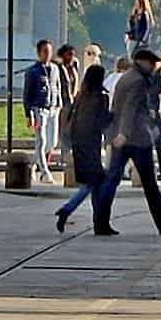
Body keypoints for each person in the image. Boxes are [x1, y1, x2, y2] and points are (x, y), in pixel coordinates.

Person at [96, 45, 161, 236]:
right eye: (151, 64)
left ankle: (100, 221)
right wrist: (125, 134)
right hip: (136, 139)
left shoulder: (126, 77)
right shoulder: (138, 81)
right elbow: (130, 108)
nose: (153, 68)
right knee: (149, 183)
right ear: (143, 62)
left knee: (112, 179)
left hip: (123, 136)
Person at [55, 63, 113, 234]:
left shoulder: (81, 96)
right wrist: (114, 115)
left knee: (95, 184)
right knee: (93, 183)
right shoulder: (101, 97)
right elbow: (101, 122)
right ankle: (68, 209)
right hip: (92, 145)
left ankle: (100, 223)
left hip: (78, 143)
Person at [25, 37, 66, 178]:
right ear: (39, 53)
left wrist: (59, 104)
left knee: (52, 142)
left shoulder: (55, 69)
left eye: (49, 51)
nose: (48, 54)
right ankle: (44, 171)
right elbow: (27, 94)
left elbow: (57, 87)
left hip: (53, 108)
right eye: (44, 51)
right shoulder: (33, 72)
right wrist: (28, 113)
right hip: (39, 108)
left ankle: (32, 165)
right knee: (41, 139)